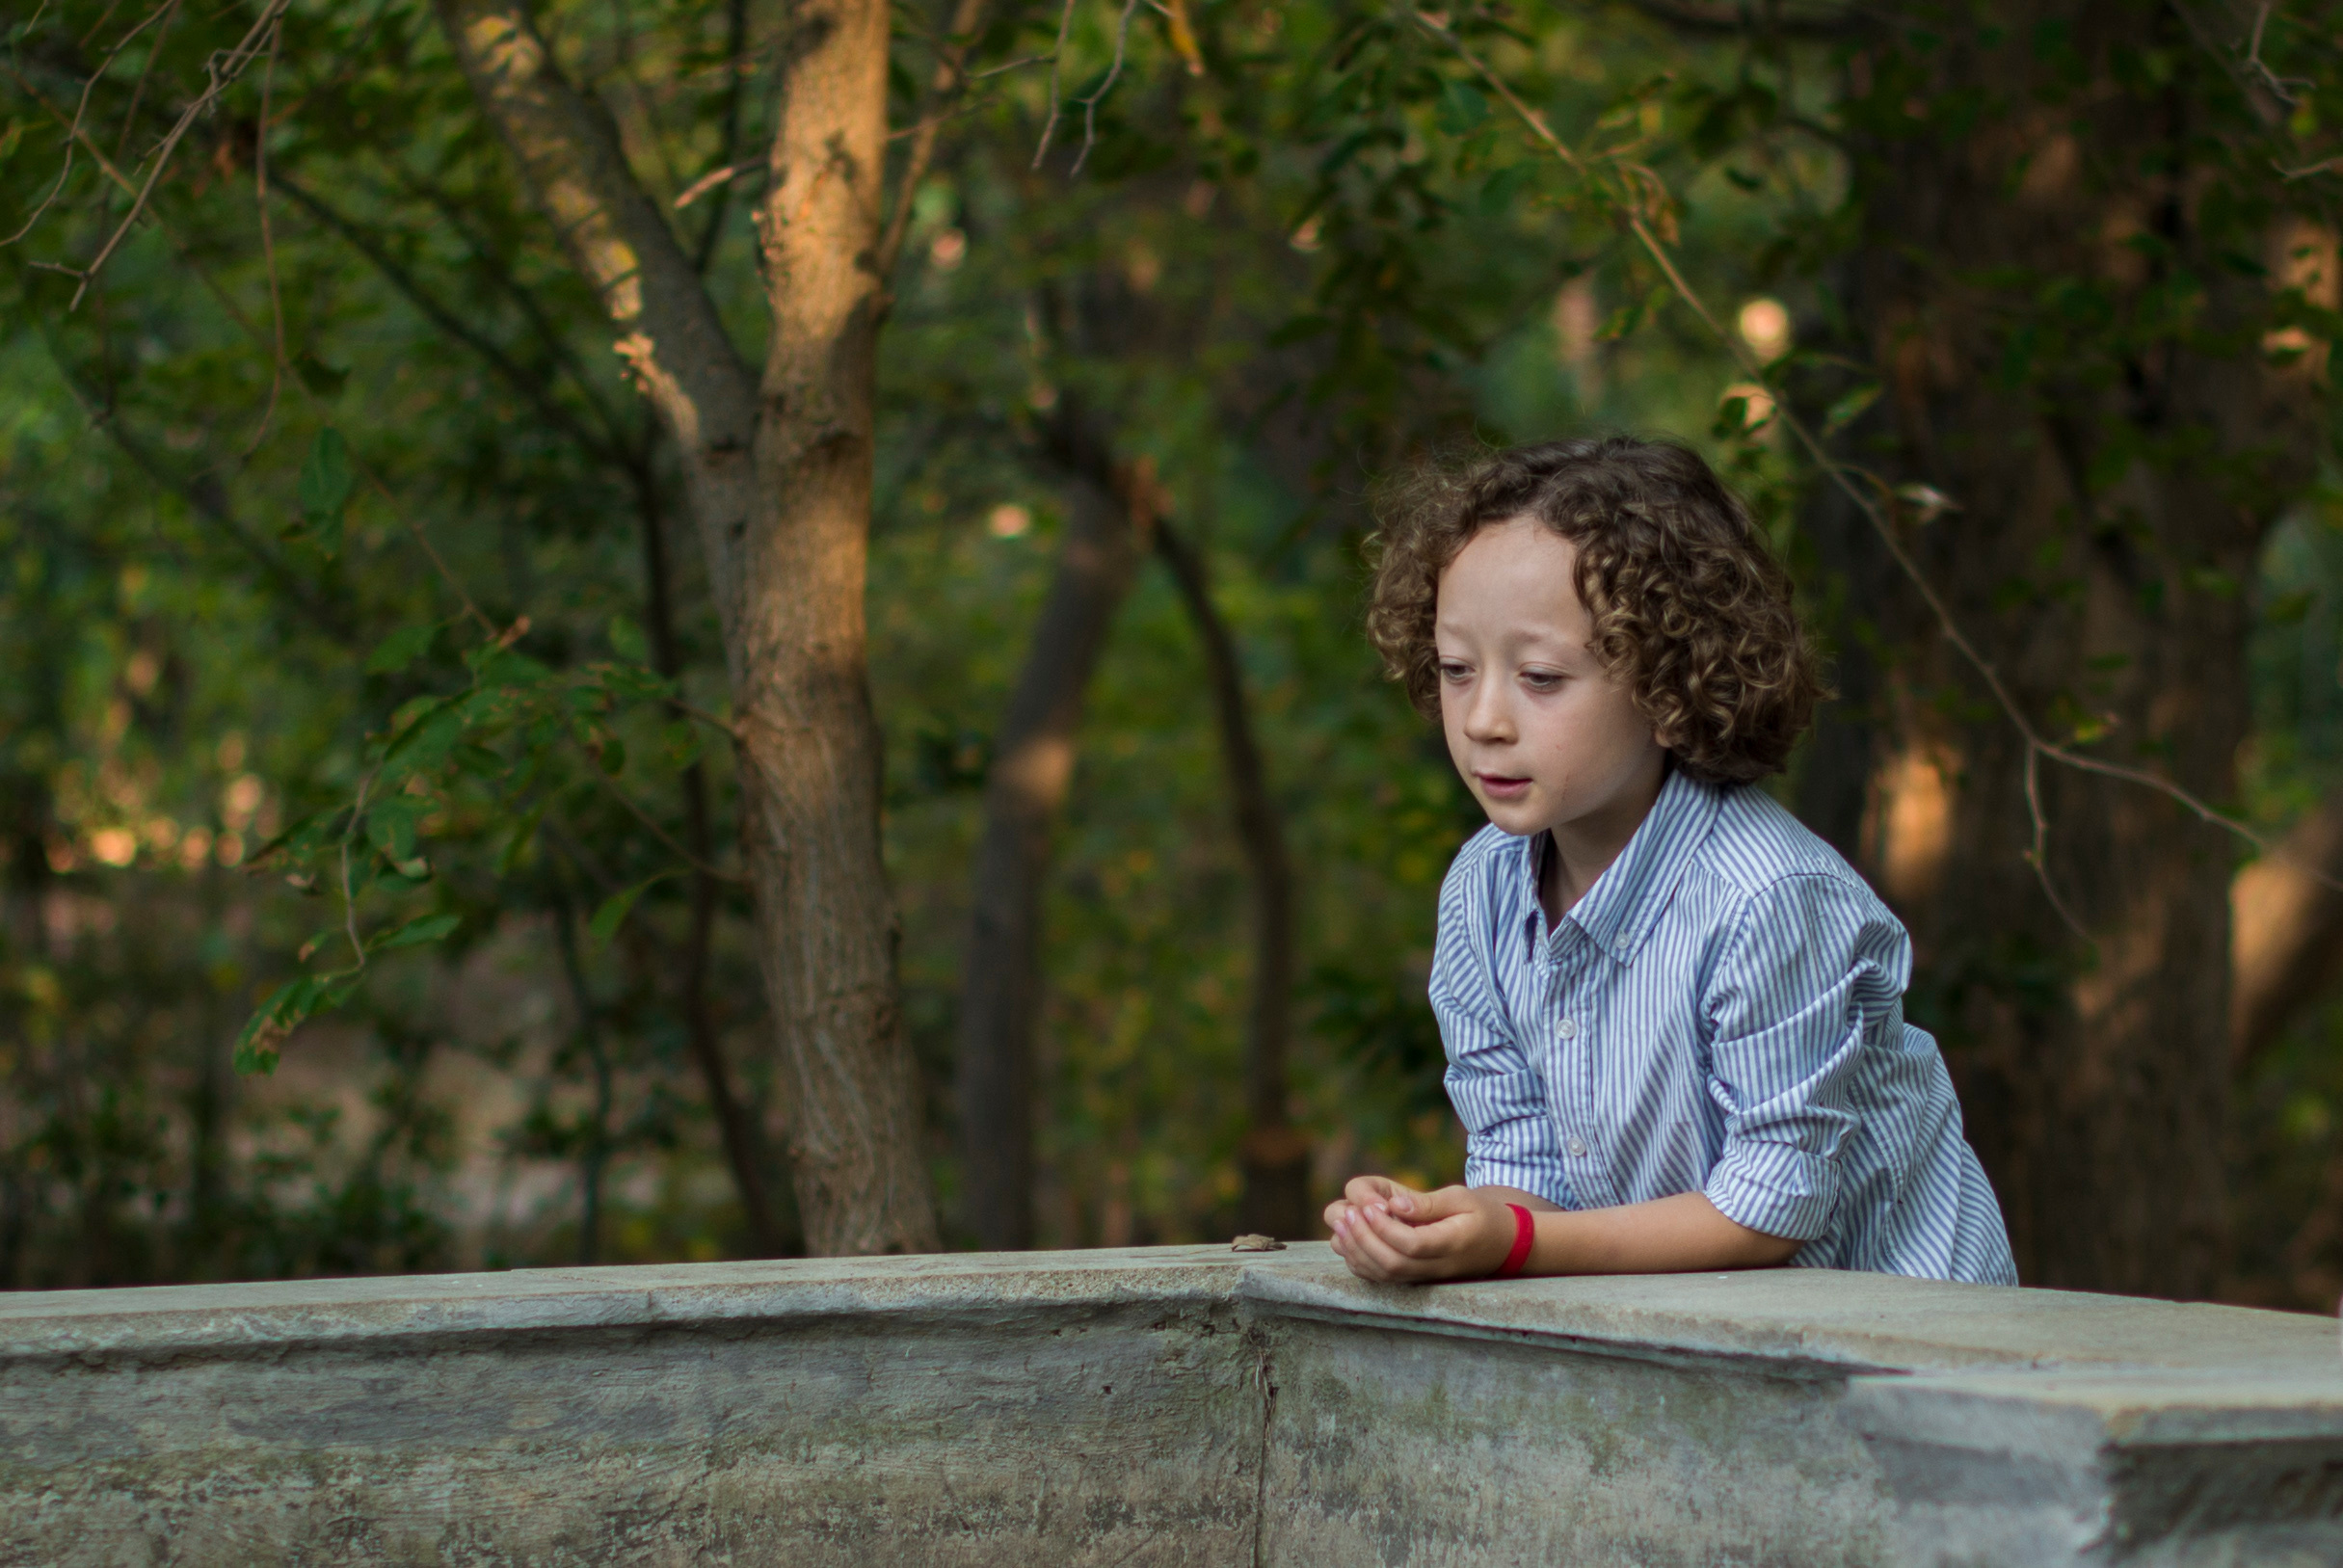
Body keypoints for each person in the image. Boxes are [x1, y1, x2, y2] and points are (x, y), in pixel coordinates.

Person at [1327, 436, 2016, 1287]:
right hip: (1712, 1349)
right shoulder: (1482, 890)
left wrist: (1514, 1243)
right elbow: (1529, 1177)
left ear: (1670, 687)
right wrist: (1447, 1226)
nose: (1482, 719)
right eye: (1457, 669)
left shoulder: (1767, 897)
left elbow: (1771, 1207)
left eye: (1540, 676)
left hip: (1912, 1354)